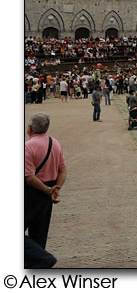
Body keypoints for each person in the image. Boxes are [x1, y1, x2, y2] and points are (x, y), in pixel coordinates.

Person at [24, 113, 66, 268]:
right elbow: (62, 170)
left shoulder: (28, 147)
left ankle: (43, 258)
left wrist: (48, 190)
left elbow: (29, 177)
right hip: (47, 194)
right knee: (39, 234)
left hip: (31, 192)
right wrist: (56, 188)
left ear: (30, 128)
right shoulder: (54, 143)